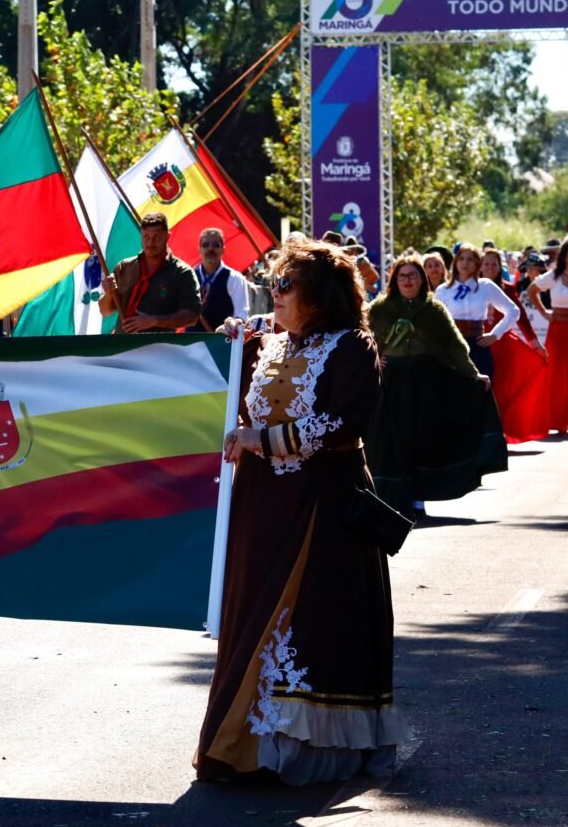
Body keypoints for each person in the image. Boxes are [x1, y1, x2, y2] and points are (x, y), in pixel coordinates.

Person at [197, 237, 406, 785]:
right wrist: (232, 351)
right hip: (262, 505)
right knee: (254, 615)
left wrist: (262, 439)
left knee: (313, 620)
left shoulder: (352, 346)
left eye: (287, 284)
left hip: (324, 508)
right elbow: (237, 404)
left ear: (318, 294)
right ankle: (242, 744)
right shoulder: (269, 343)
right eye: (274, 283)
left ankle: (301, 748)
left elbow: (343, 423)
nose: (276, 292)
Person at [367, 254, 505, 517]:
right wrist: (374, 357)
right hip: (390, 383)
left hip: (425, 382)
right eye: (402, 275)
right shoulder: (379, 308)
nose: (408, 280)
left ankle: (418, 498)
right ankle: (388, 498)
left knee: (421, 439)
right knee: (389, 439)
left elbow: (455, 347)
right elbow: (365, 339)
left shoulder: (434, 310)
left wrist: (474, 374)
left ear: (423, 279)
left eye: (413, 275)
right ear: (394, 279)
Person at [480, 247, 550, 444]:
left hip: (504, 346)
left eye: (494, 264)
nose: (490, 267)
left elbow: (522, 318)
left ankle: (500, 431)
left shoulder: (508, 288)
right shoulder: (472, 287)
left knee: (503, 389)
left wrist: (535, 344)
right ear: (480, 266)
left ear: (499, 266)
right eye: (486, 263)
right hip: (479, 343)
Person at [98, 212, 201, 334]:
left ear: (167, 237)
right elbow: (105, 311)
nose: (150, 243)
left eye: (157, 238)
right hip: (123, 346)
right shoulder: (124, 267)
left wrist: (154, 321)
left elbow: (191, 317)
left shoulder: (182, 273)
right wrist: (109, 293)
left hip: (158, 348)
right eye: (146, 237)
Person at [527, 236, 568, 436]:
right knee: (559, 375)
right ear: (564, 256)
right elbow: (532, 290)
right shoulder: (553, 277)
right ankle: (560, 420)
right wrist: (544, 312)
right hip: (559, 331)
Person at [433, 243, 519, 380]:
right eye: (461, 258)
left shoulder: (485, 286)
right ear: (455, 262)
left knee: (481, 391)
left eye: (470, 259)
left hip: (478, 345)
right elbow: (435, 322)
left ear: (477, 263)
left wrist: (495, 334)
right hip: (453, 347)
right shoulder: (443, 290)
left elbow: (513, 311)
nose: (465, 263)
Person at [188, 227, 249, 332]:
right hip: (191, 343)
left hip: (221, 342)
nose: (210, 249)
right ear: (199, 249)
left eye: (216, 245)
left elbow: (242, 315)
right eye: (205, 245)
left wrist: (234, 324)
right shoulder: (188, 277)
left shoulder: (234, 278)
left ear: (223, 249)